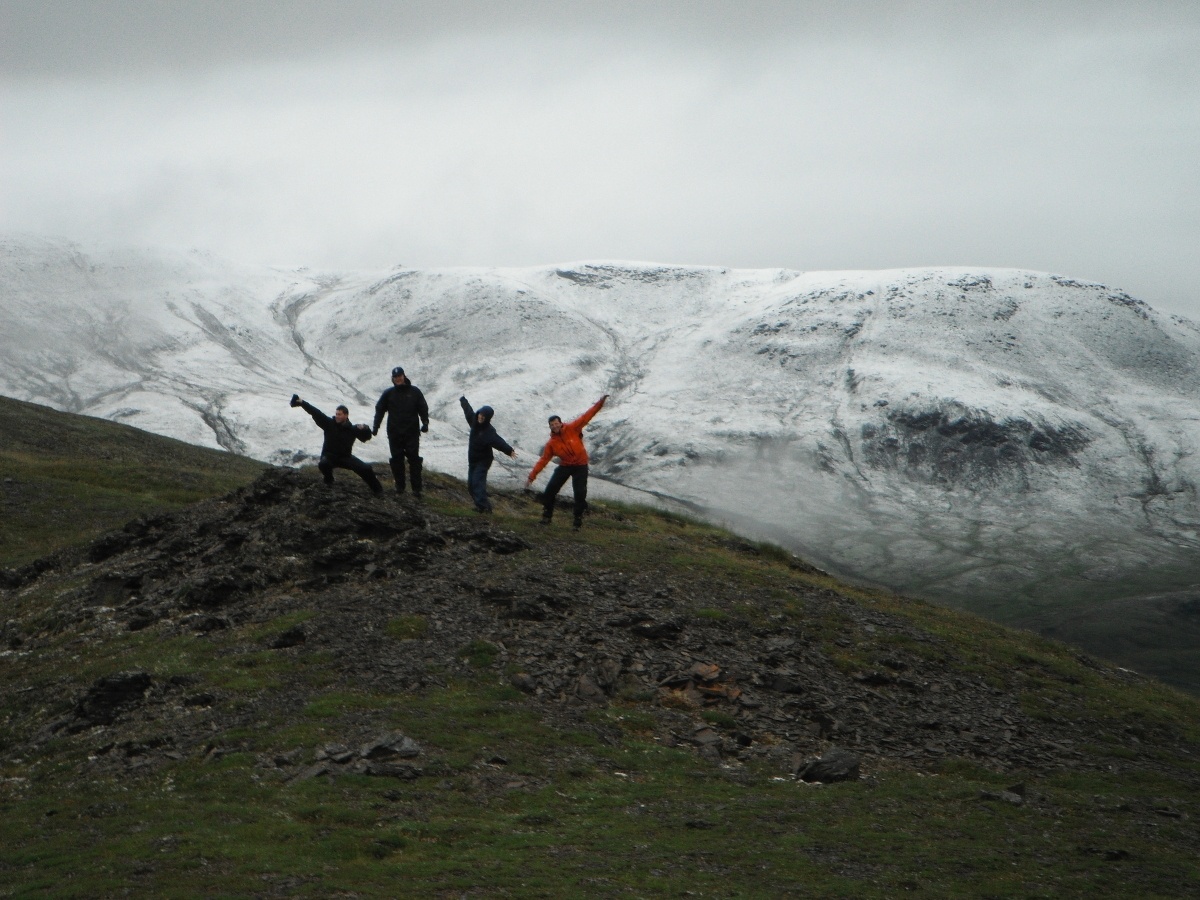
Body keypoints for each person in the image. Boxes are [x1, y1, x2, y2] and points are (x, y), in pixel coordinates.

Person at [527, 394, 608, 529]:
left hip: (581, 466)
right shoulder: (551, 443)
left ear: (561, 423)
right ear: (550, 427)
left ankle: (577, 521)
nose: (555, 426)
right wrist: (532, 476)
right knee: (550, 491)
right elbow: (544, 460)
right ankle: (547, 516)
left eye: (556, 423)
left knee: (580, 493)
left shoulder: (573, 428)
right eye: (552, 425)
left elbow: (587, 416)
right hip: (565, 466)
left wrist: (600, 403)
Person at [290, 394, 382, 495]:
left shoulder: (352, 429)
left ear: (346, 415)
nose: (337, 416)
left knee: (366, 469)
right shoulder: (329, 424)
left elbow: (366, 437)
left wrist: (365, 429)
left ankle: (378, 491)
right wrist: (302, 402)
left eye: (340, 414)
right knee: (323, 464)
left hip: (345, 457)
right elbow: (315, 412)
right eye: (337, 414)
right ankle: (329, 480)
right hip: (329, 456)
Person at [373, 366, 429, 497]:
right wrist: (376, 426)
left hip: (412, 432)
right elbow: (379, 409)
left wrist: (425, 422)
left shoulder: (415, 392)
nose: (398, 379)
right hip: (394, 433)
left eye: (400, 376)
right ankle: (400, 487)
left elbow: (423, 407)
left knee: (414, 460)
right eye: (395, 377)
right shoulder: (388, 394)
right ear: (392, 379)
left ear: (404, 376)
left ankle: (416, 489)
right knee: (397, 460)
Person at [460, 396, 518, 514]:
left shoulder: (489, 431)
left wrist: (509, 450)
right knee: (471, 485)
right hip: (473, 460)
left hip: (483, 461)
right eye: (480, 414)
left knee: (477, 482)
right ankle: (481, 506)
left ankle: (484, 508)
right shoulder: (474, 421)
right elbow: (468, 411)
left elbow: (498, 442)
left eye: (483, 416)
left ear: (488, 418)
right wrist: (463, 401)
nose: (480, 417)